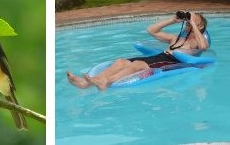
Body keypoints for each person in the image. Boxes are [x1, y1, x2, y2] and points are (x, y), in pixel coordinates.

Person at [67, 11, 209, 90]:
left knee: (137, 65)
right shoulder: (175, 38)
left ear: (200, 25)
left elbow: (203, 47)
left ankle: (106, 81)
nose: (188, 22)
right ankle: (87, 83)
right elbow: (151, 30)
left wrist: (194, 25)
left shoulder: (196, 42)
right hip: (160, 56)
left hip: (170, 62)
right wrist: (172, 20)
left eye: (192, 20)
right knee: (121, 61)